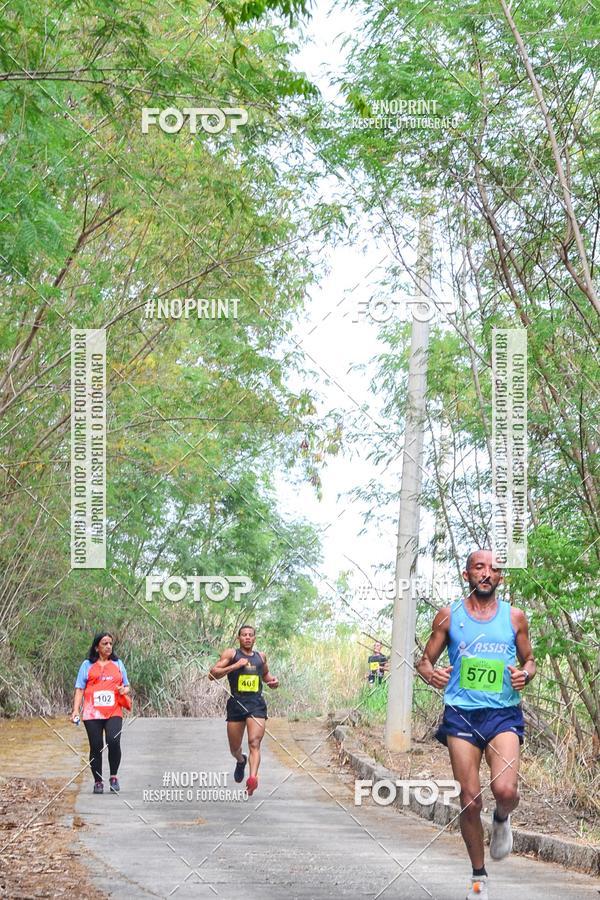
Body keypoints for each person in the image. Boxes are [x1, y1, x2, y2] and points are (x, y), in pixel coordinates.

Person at [416, 549, 535, 900]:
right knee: (469, 800)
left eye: (493, 569)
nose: (486, 573)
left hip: (502, 714)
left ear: (500, 578)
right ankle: (478, 879)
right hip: (462, 714)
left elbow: (530, 660)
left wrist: (524, 675)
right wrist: (432, 674)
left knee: (506, 791)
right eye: (479, 567)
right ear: (466, 574)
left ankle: (502, 819)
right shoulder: (448, 616)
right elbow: (424, 661)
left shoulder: (515, 617)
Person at [209, 625, 278, 796]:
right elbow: (212, 674)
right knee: (234, 748)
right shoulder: (231, 655)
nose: (247, 637)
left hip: (256, 704)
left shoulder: (261, 657)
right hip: (236, 704)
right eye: (244, 635)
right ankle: (241, 760)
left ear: (255, 638)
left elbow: (266, 677)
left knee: (254, 742)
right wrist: (234, 666)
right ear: (238, 638)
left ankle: (253, 778)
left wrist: (273, 682)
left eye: (250, 635)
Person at [71, 632, 131, 794]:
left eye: (110, 643)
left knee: (113, 740)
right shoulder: (87, 665)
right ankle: (98, 781)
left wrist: (122, 689)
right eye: (105, 643)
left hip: (113, 711)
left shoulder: (118, 664)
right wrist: (76, 710)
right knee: (96, 746)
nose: (109, 646)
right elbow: (79, 689)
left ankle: (113, 777)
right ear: (97, 647)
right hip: (92, 713)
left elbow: (127, 686)